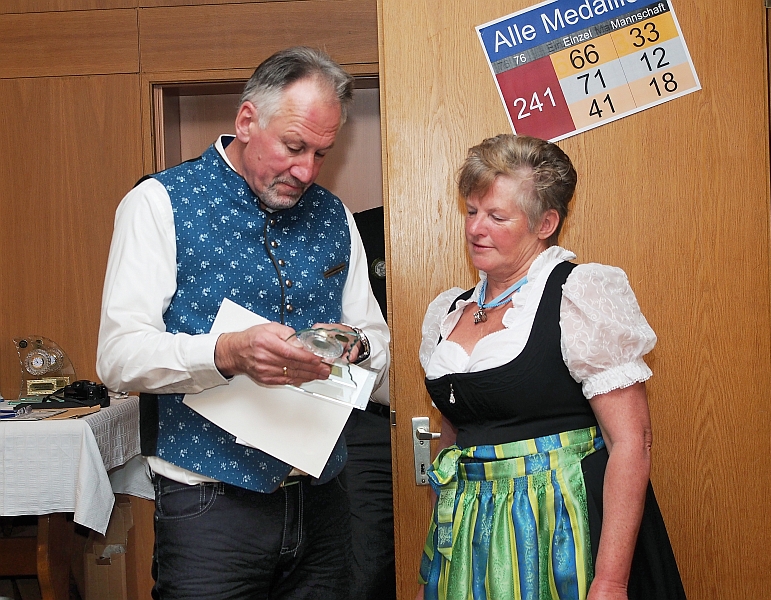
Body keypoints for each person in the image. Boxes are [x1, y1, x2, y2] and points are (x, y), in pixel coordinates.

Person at [96, 46, 389, 600]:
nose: (306, 171)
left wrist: (356, 346)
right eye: (294, 147)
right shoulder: (159, 203)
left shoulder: (335, 216)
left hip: (323, 503)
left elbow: (377, 340)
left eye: (321, 154)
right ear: (247, 121)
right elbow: (118, 356)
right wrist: (225, 353)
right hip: (210, 510)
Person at [416, 134, 685, 600]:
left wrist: (611, 581)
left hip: (563, 531)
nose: (476, 228)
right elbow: (453, 443)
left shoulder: (578, 296)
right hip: (472, 536)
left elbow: (631, 442)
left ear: (546, 223)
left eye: (497, 216)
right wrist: (436, 570)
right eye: (472, 211)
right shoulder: (449, 312)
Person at [342, 206, 396, 600]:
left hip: (467, 425)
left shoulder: (489, 233)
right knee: (365, 569)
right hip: (369, 421)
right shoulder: (362, 228)